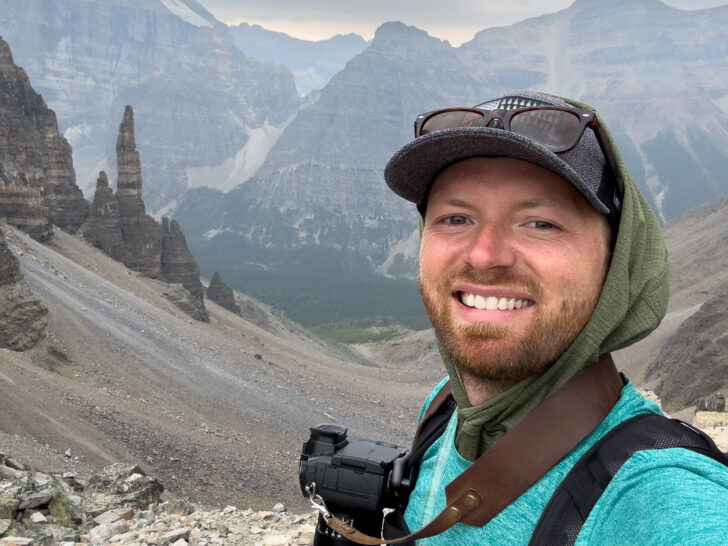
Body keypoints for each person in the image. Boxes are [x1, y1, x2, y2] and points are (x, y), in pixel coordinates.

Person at [381, 90, 728, 544]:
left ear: (616, 258)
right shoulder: (445, 407)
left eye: (541, 223)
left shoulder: (658, 501)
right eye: (455, 218)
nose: (485, 255)